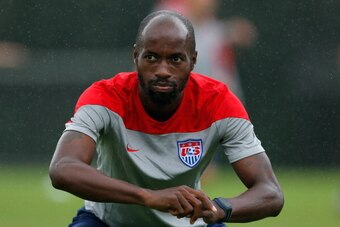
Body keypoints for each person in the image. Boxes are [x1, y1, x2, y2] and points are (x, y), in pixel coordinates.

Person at [49, 10, 283, 227]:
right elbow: (63, 168)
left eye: (175, 59)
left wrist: (219, 209)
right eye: (151, 57)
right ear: (135, 56)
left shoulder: (220, 103)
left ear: (193, 61)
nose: (162, 70)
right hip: (108, 222)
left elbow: (270, 192)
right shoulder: (105, 97)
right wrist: (148, 197)